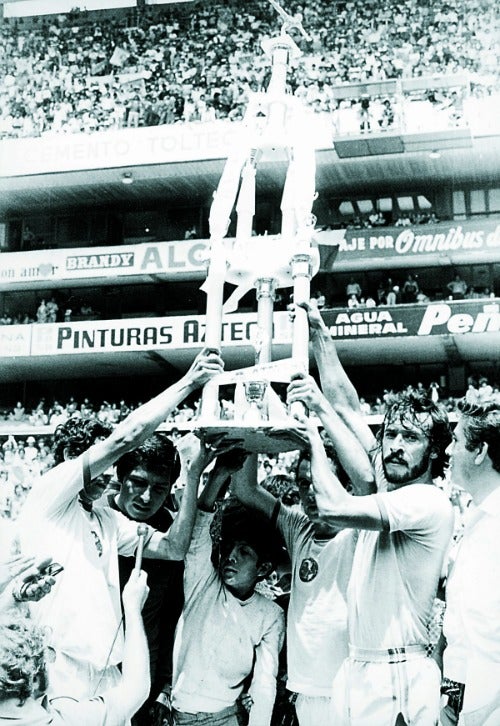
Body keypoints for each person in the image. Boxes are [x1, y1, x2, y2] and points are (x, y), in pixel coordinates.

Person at [16, 348, 224, 701]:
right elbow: (126, 439)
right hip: (60, 672)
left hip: (107, 676)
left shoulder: (106, 519)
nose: (109, 473)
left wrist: (193, 474)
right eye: (103, 462)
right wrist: (190, 382)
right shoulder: (48, 497)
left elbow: (174, 548)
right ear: (71, 460)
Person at [291, 300, 454, 726]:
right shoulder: (391, 482)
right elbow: (347, 406)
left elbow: (332, 506)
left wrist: (312, 425)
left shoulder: (427, 501)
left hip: (398, 671)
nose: (395, 445)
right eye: (391, 435)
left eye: (411, 438)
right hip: (358, 667)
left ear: (434, 451)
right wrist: (319, 335)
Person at [232, 411, 374, 726]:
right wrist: (253, 424)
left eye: (318, 481)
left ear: (344, 485)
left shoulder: (362, 529)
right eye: (303, 483)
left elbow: (370, 482)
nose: (309, 492)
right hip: (305, 689)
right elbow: (244, 489)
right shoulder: (299, 528)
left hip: (351, 689)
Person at [171, 449, 285, 726]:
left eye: (244, 552)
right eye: (229, 548)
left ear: (263, 569)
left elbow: (265, 681)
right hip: (175, 717)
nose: (230, 556)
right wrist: (218, 474)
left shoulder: (269, 615)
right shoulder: (204, 583)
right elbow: (198, 534)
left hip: (225, 719)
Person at [109, 433, 191, 725]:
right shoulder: (94, 518)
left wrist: (165, 687)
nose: (146, 497)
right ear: (120, 476)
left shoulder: (171, 529)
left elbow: (173, 614)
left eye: (159, 488)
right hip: (93, 675)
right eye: (139, 482)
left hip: (146, 678)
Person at [0, 569, 151, 725]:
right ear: (38, 680)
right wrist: (133, 609)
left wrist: (14, 597)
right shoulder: (72, 720)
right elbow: (135, 689)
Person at [441, 396, 500, 726]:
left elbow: (489, 638)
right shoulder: (479, 516)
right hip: (467, 702)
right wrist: (452, 698)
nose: (449, 451)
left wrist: (473, 713)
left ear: (480, 452)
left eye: (456, 440)